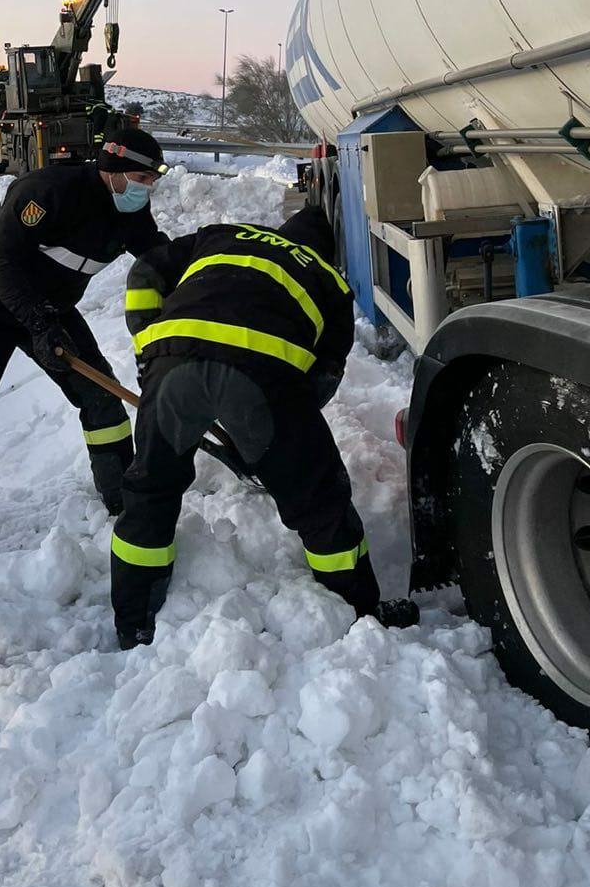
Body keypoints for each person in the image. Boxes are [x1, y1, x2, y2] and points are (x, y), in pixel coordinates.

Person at [113, 207, 419, 648]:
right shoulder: (330, 281)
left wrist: (148, 349)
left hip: (172, 364)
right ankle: (359, 616)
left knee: (149, 490)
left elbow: (145, 271)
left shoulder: (219, 234)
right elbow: (322, 377)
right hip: (263, 375)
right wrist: (274, 442)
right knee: (320, 503)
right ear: (322, 250)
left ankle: (132, 624)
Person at [0, 126, 170, 537]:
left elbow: (158, 256)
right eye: (140, 180)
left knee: (101, 399)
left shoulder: (129, 210)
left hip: (51, 308)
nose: (145, 190)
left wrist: (196, 279)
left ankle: (123, 503)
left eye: (151, 183)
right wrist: (39, 325)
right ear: (113, 169)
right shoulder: (48, 190)